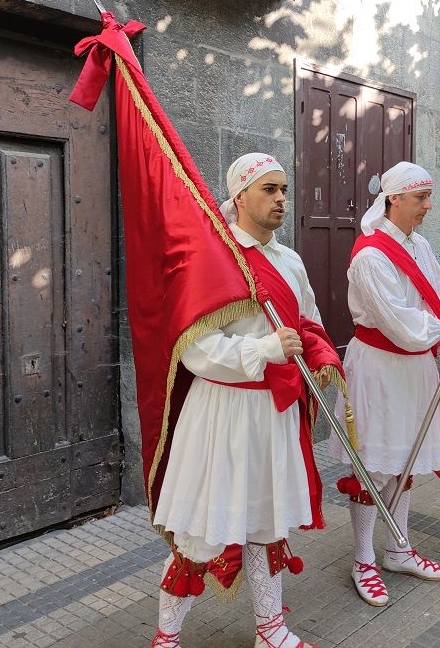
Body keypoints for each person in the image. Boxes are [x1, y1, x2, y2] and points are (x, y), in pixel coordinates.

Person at [153, 153, 330, 648]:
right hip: (223, 412)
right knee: (202, 532)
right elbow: (193, 347)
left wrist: (321, 356)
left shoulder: (289, 261)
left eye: (283, 189)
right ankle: (166, 637)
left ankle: (271, 630)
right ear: (239, 196)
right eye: (269, 190)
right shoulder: (216, 258)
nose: (280, 199)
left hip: (273, 413)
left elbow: (308, 322)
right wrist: (264, 349)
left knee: (266, 522)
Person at [333, 161, 440, 607]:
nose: (428, 206)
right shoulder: (370, 257)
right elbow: (399, 323)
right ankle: (363, 559)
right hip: (381, 368)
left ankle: (398, 548)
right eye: (420, 197)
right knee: (374, 465)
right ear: (393, 199)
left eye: (429, 196)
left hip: (414, 367)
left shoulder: (418, 245)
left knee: (404, 461)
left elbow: (432, 298)